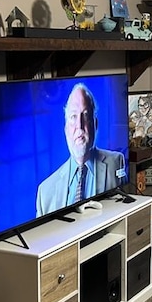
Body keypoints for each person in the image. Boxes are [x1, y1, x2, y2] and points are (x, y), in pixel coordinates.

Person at [36, 83, 125, 216]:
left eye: (86, 115)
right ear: (65, 129)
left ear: (95, 124)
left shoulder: (116, 162)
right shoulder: (45, 191)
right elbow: (41, 234)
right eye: (73, 117)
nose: (80, 125)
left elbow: (123, 207)